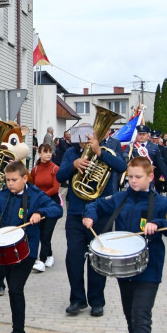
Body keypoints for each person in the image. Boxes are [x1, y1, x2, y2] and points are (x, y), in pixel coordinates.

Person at [83, 156, 167, 333]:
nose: (133, 181)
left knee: (140, 314)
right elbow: (95, 204)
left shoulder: (161, 203)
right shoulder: (121, 197)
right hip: (124, 269)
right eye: (130, 177)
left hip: (150, 268)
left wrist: (157, 223)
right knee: (130, 316)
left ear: (150, 177)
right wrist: (89, 214)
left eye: (138, 177)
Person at [0, 160, 62, 333]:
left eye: (13, 180)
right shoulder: (4, 195)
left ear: (24, 178)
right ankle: (15, 331)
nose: (10, 183)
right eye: (7, 180)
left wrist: (40, 212)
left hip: (26, 250)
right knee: (13, 291)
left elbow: (58, 209)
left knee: (15, 289)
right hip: (6, 251)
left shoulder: (37, 196)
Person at [59, 124, 127, 316]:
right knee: (73, 257)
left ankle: (97, 300)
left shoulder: (109, 149)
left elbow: (122, 167)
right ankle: (77, 299)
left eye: (87, 135)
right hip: (75, 212)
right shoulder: (72, 153)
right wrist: (73, 166)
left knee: (98, 257)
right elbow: (60, 176)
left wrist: (99, 152)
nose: (83, 138)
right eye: (79, 135)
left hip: (101, 213)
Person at [29, 143, 61, 272]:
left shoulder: (55, 169)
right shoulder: (35, 170)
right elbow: (31, 185)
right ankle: (49, 255)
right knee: (42, 233)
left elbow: (55, 188)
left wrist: (41, 196)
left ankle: (41, 261)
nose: (48, 154)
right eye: (45, 151)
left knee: (47, 233)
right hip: (38, 205)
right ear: (39, 153)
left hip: (52, 204)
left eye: (50, 151)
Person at [129, 125, 167, 194]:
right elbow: (126, 157)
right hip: (135, 178)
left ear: (147, 135)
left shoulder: (154, 147)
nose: (141, 136)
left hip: (148, 178)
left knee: (149, 199)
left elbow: (161, 163)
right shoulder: (132, 146)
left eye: (143, 134)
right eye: (140, 134)